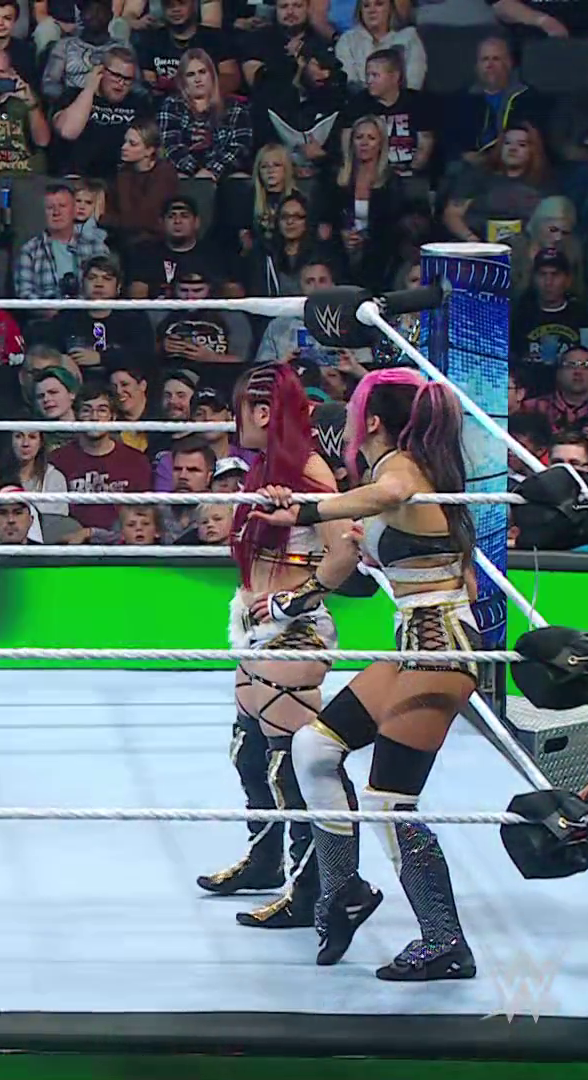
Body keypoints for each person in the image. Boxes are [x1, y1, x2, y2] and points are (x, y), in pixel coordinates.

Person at [250, 366, 479, 981]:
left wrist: (308, 504)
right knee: (315, 749)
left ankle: (445, 941)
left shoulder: (403, 469)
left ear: (371, 421)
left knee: (389, 800)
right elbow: (343, 558)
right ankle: (344, 890)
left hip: (442, 649)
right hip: (412, 647)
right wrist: (285, 605)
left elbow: (390, 495)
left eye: (353, 412)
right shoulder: (387, 480)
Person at [199, 364, 355, 932]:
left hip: (292, 631)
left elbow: (346, 552)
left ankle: (312, 890)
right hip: (254, 626)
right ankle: (265, 860)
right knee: (249, 752)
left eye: (240, 408)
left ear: (263, 412)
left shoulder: (309, 471)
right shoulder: (266, 469)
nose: (233, 419)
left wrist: (293, 601)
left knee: (292, 766)